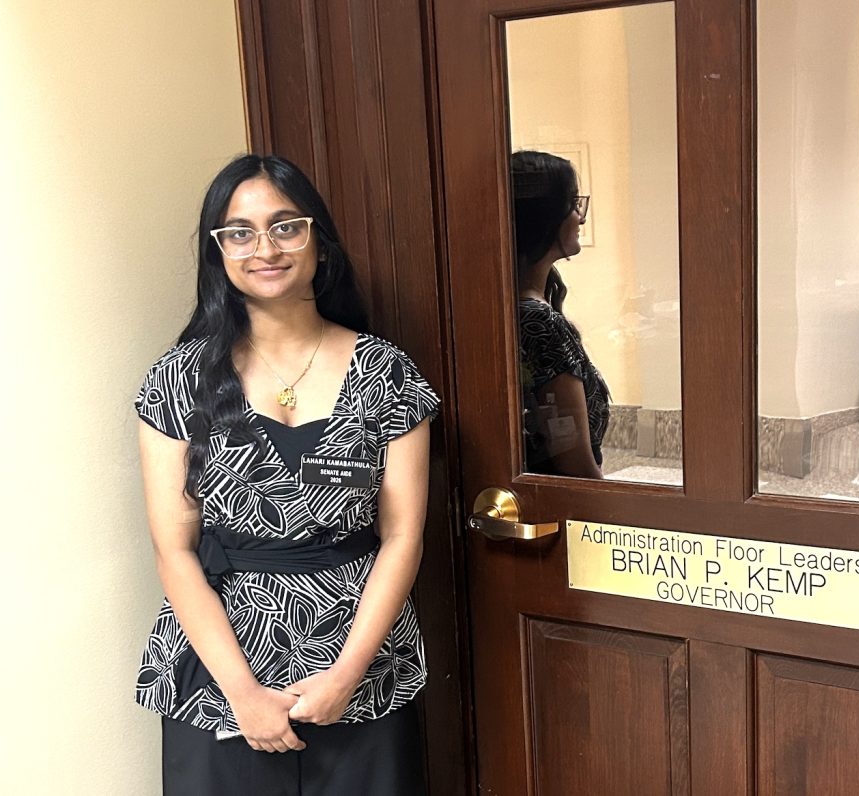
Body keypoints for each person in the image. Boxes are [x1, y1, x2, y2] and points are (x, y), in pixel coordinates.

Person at [134, 154, 438, 794]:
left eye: (285, 226)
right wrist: (243, 694)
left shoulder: (386, 372)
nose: (264, 248)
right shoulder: (179, 379)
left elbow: (403, 535)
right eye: (239, 233)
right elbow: (173, 549)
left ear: (318, 241)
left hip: (363, 668)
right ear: (218, 252)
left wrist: (347, 675)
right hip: (219, 676)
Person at [511, 150, 610, 478]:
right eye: (572, 204)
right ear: (544, 219)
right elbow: (576, 465)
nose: (580, 217)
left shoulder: (513, 308)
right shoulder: (540, 323)